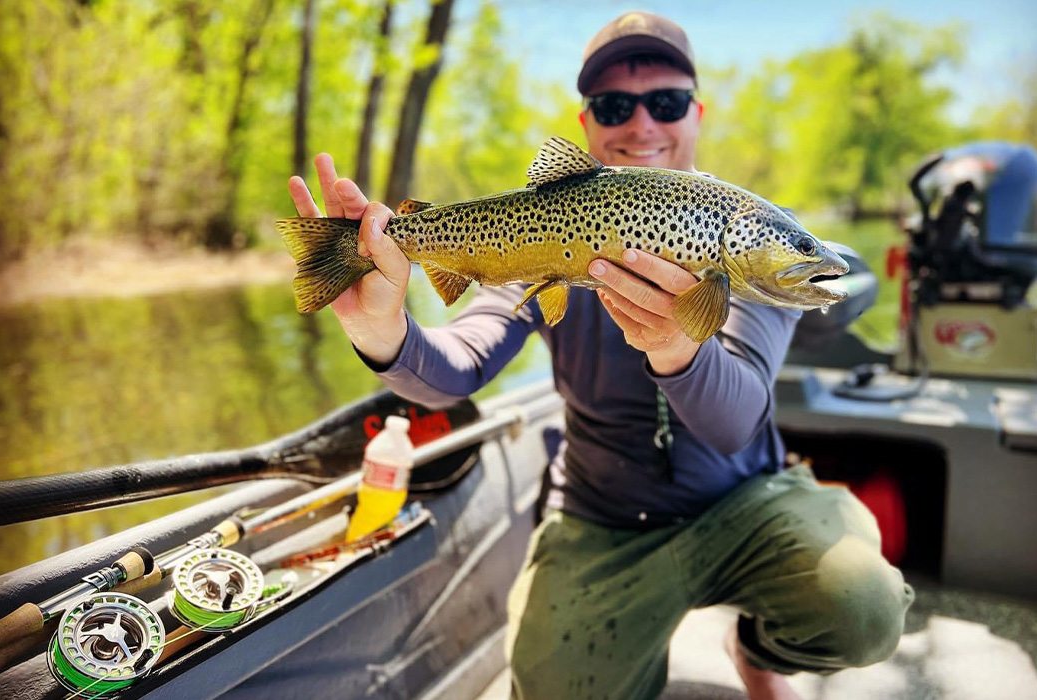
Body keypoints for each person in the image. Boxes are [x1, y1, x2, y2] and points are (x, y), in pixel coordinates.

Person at [287, 11, 914, 700]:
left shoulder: (738, 230)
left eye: (665, 102)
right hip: (600, 515)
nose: (641, 123)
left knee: (863, 607)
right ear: (586, 126)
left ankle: (756, 651)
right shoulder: (538, 246)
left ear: (696, 114)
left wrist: (679, 349)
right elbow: (457, 368)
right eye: (615, 105)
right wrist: (382, 331)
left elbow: (737, 421)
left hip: (745, 501)